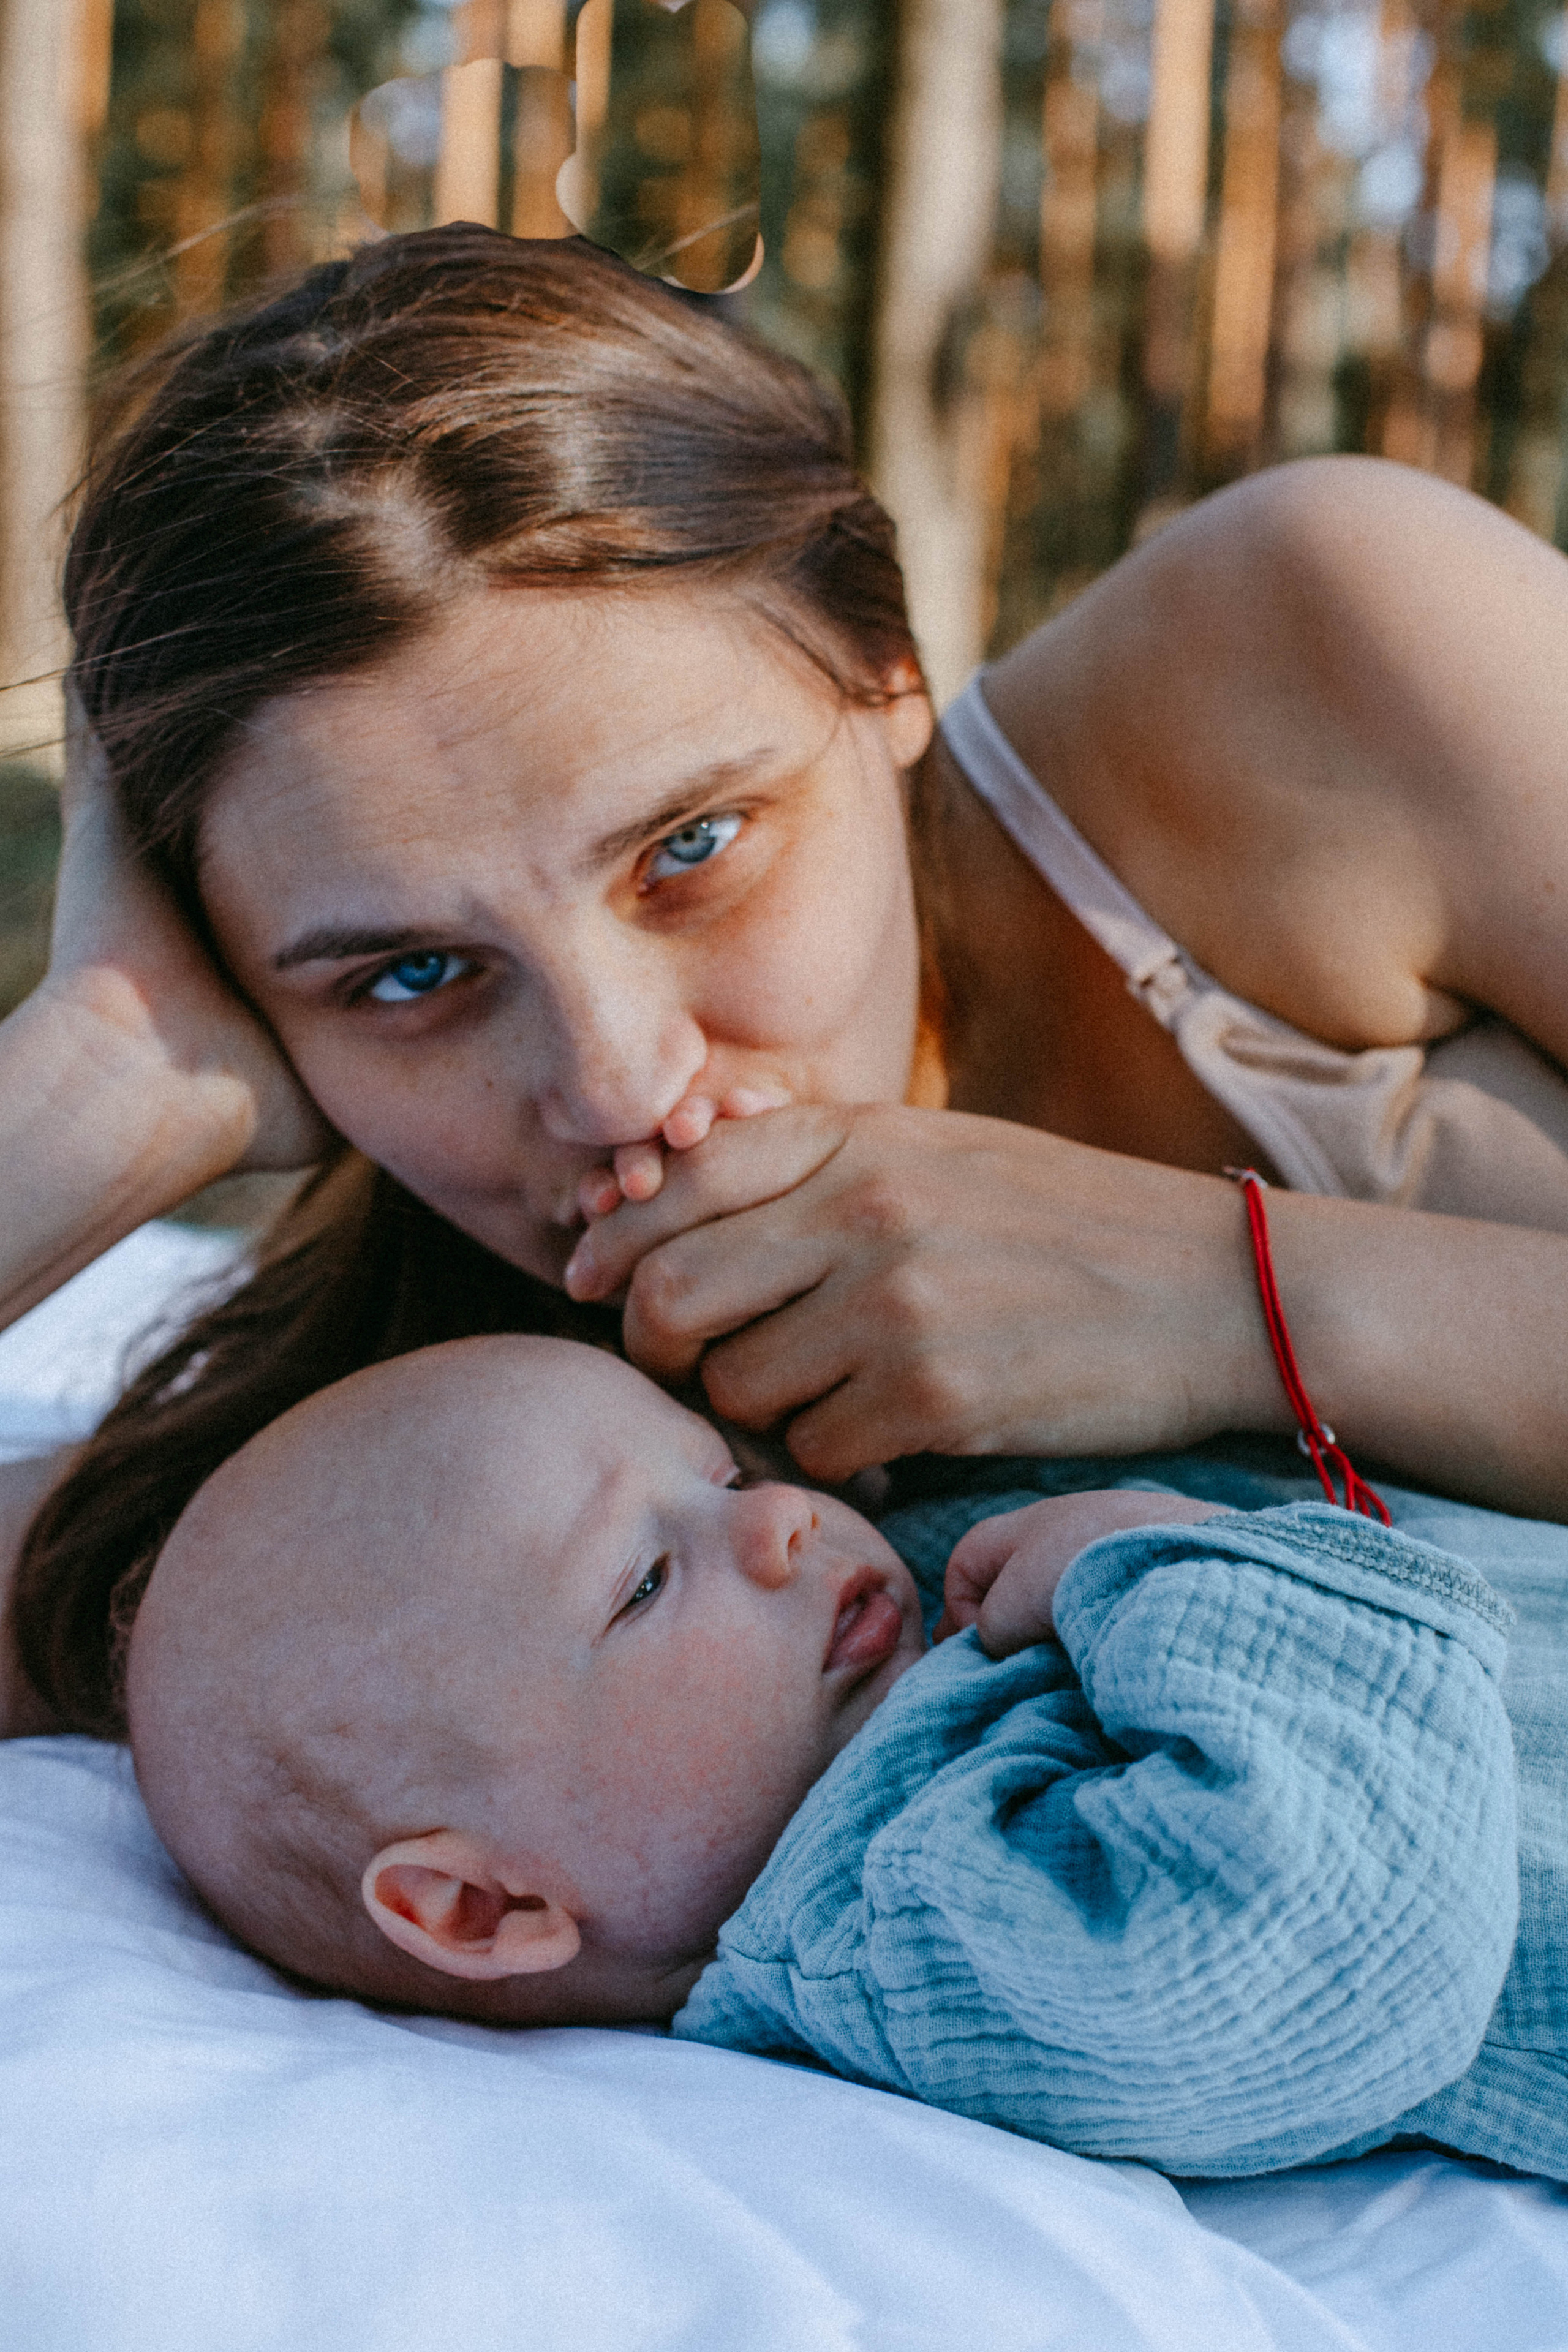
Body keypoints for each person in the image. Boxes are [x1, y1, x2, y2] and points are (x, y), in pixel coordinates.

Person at [7, 224, 1568, 1739]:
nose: (614, 1082)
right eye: (412, 974)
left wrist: (1218, 1294)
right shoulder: (496, 1443)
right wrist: (105, 1078)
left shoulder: (1313, 651)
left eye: (691, 844)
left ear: (887, 664)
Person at [127, 1333, 1558, 2182]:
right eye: (642, 1584)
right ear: (485, 1908)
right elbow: (1305, 1942)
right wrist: (1148, 1560)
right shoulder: (898, 1926)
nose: (778, 1526)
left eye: (723, 1474)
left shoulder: (859, 1682)